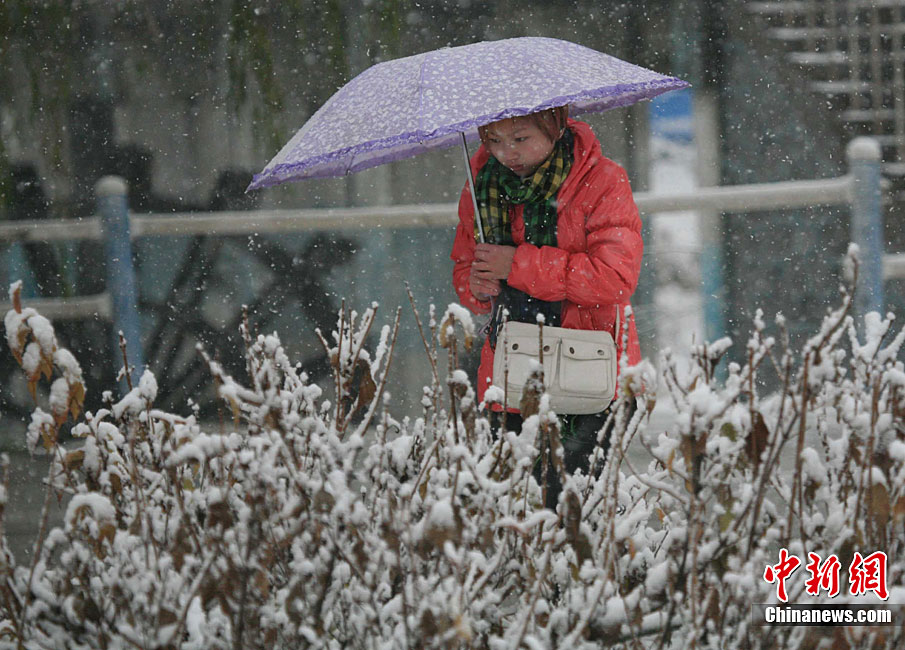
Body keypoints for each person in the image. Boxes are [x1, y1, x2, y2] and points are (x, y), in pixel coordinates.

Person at [450, 106, 643, 508]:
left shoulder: (602, 181)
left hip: (589, 370)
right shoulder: (482, 185)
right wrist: (477, 285)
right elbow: (467, 272)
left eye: (520, 138)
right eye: (493, 140)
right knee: (511, 506)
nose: (507, 153)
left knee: (575, 505)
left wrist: (518, 264)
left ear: (554, 126)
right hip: (512, 370)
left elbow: (613, 278)